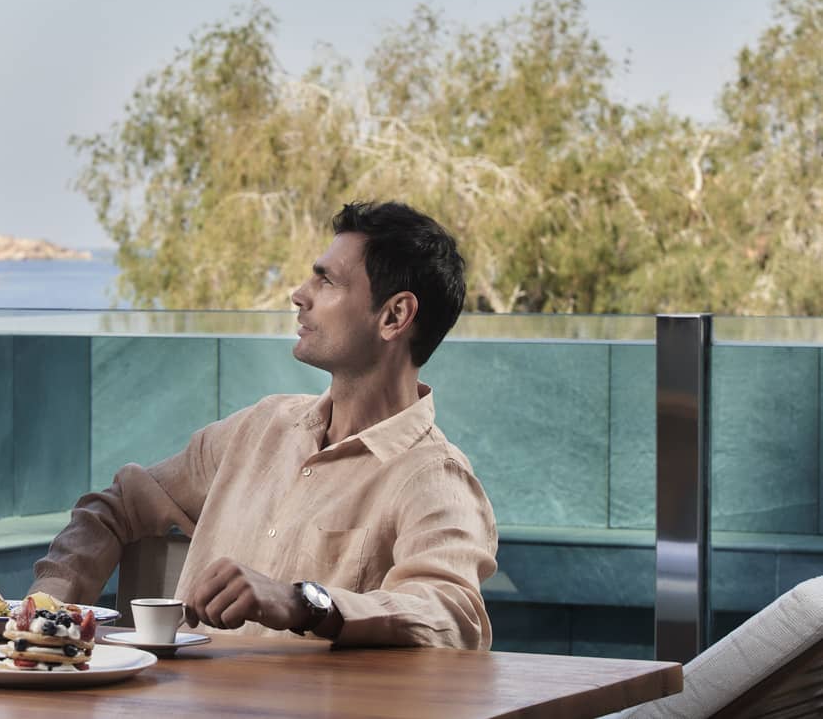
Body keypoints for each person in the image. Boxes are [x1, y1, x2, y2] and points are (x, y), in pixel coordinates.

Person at [30, 201, 498, 648]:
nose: (300, 294)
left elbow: (453, 617)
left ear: (394, 316)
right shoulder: (259, 428)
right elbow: (114, 507)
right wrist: (46, 614)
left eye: (327, 281)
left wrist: (302, 602)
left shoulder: (433, 477)